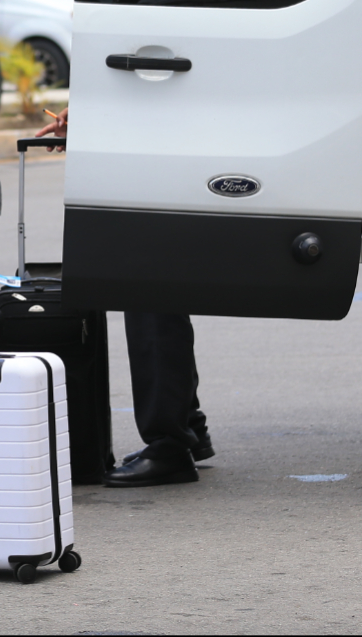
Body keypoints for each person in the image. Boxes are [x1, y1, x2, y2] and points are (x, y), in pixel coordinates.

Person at [35, 108, 215, 487]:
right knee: (159, 284)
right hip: (189, 144)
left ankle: (171, 444)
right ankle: (187, 425)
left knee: (147, 281)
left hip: (169, 149)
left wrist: (98, 114)